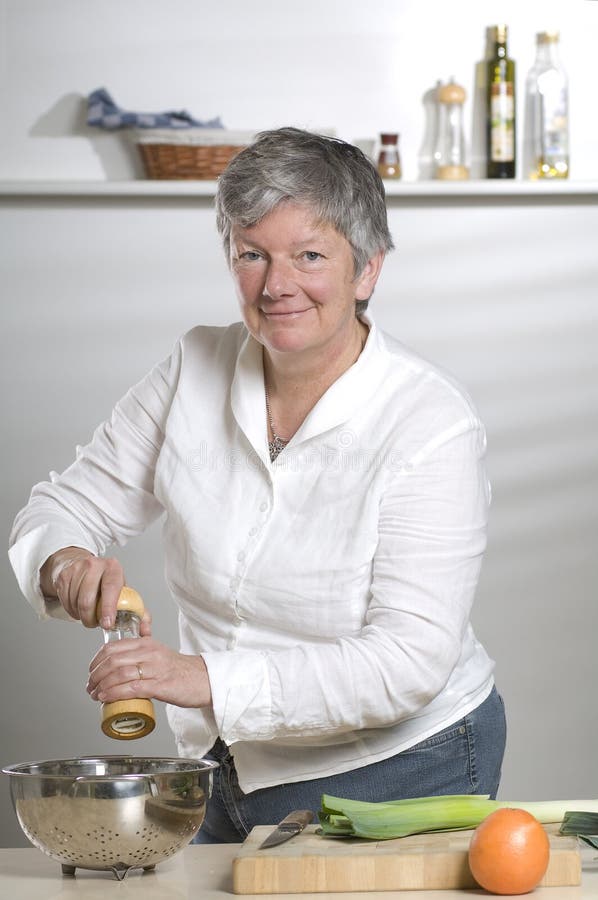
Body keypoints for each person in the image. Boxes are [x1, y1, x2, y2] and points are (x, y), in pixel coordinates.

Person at [9, 127, 506, 843]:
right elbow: (60, 507)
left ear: (367, 270)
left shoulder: (432, 423)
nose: (276, 285)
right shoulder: (194, 365)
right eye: (252, 254)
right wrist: (64, 565)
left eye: (309, 255)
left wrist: (202, 679)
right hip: (222, 763)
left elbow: (407, 661)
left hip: (404, 766)